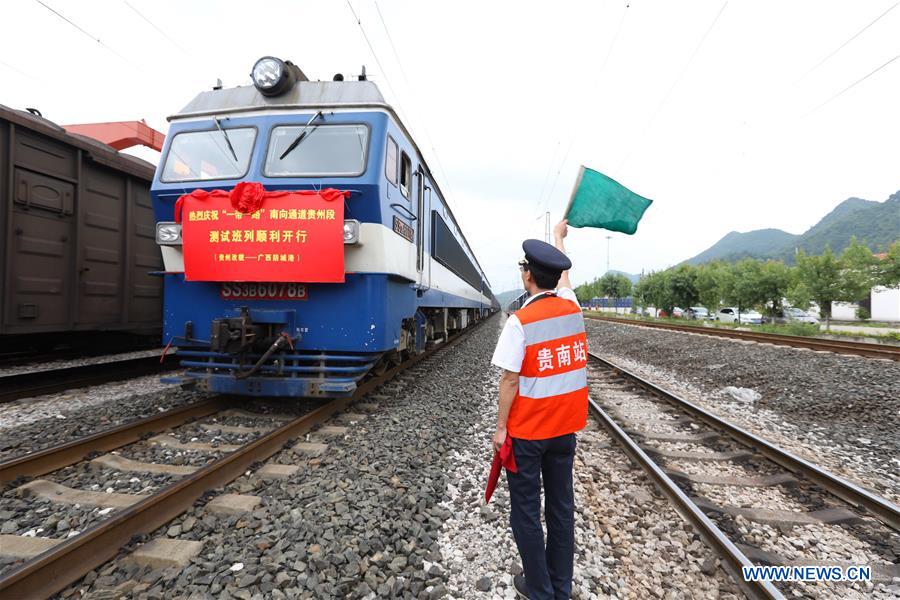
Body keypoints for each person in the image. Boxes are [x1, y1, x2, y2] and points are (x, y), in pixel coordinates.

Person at [490, 219, 589, 599]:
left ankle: (539, 589)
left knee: (527, 512)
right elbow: (565, 279)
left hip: (529, 434)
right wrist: (559, 239)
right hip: (565, 431)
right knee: (562, 509)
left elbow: (510, 381)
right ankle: (560, 588)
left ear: (527, 276)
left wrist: (501, 428)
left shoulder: (520, 322)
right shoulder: (572, 308)